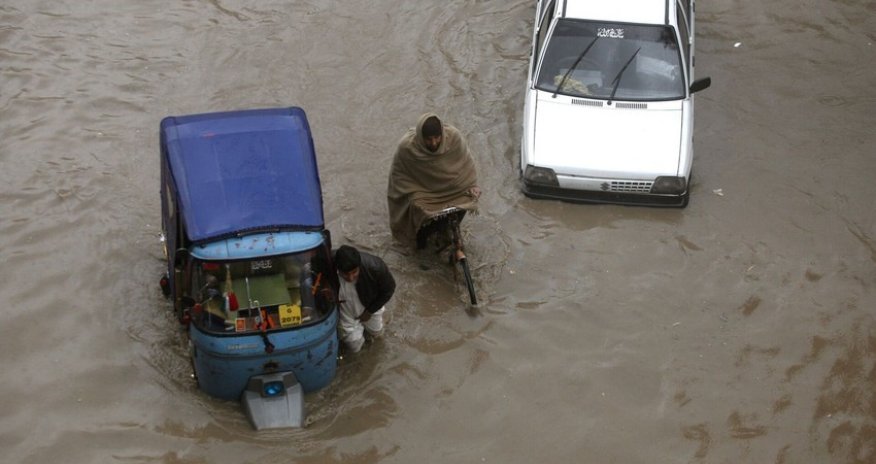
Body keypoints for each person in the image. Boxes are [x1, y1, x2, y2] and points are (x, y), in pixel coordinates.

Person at [387, 113, 480, 249]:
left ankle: (448, 231)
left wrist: (472, 185)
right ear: (420, 137)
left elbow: (466, 163)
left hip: (451, 188)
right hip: (423, 190)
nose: (434, 143)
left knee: (467, 199)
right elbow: (399, 176)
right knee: (418, 210)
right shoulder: (407, 147)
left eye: (437, 137)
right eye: (428, 139)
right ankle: (420, 243)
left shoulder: (453, 137)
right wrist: (409, 195)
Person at [334, 245, 396, 353]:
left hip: (369, 304)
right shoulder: (329, 264)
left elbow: (389, 290)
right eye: (345, 274)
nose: (350, 278)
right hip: (346, 310)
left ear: (359, 267)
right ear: (338, 269)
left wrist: (369, 311)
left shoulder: (376, 268)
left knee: (376, 333)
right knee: (354, 345)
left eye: (354, 272)